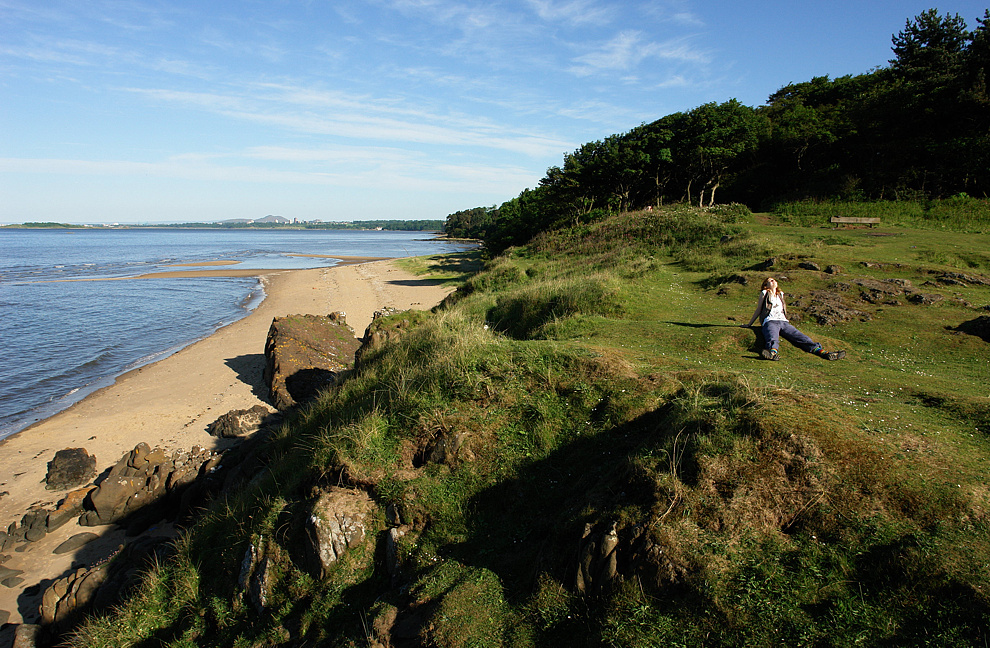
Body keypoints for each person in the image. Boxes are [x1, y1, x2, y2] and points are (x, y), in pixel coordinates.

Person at [742, 277, 845, 361]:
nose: (773, 281)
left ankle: (824, 353)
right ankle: (772, 353)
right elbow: (759, 309)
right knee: (772, 337)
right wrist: (749, 324)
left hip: (783, 322)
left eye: (774, 280)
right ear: (766, 285)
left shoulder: (780, 295)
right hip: (770, 321)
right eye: (770, 281)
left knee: (802, 337)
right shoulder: (764, 293)